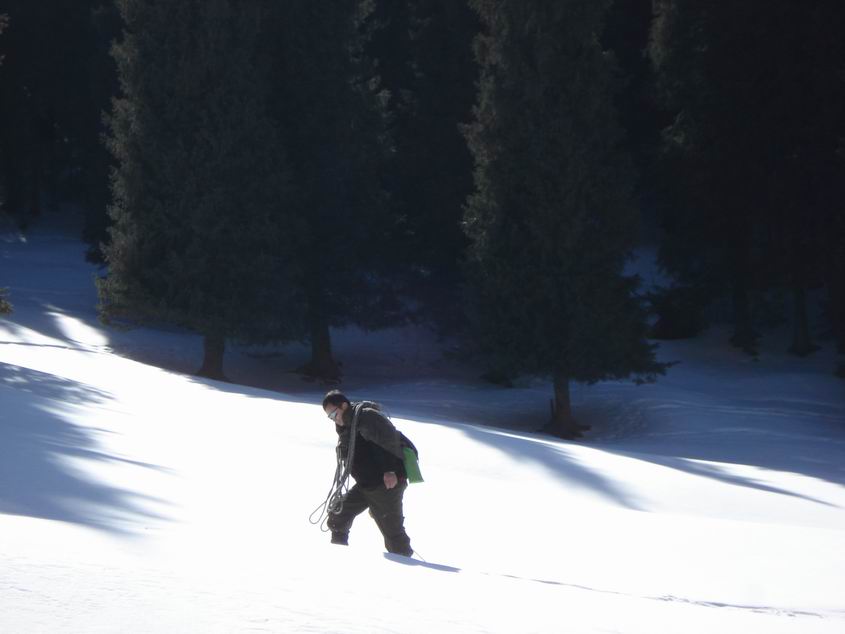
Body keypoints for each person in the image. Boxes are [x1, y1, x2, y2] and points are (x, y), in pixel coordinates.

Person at [322, 390, 414, 557]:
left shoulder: (367, 417)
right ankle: (337, 556)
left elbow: (388, 441)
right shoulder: (347, 426)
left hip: (386, 483)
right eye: (330, 416)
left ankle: (408, 567)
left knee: (393, 534)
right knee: (338, 517)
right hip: (367, 484)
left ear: (344, 405)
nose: (334, 418)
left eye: (334, 413)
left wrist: (390, 470)